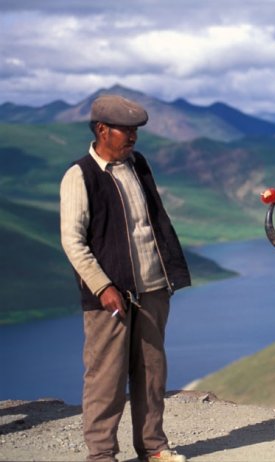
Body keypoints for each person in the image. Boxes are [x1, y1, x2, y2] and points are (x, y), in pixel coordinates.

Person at [60, 94, 191, 462]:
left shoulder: (137, 165)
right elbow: (72, 240)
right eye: (126, 130)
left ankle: (153, 447)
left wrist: (165, 280)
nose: (133, 137)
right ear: (102, 130)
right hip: (110, 295)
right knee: (106, 377)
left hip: (152, 289)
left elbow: (152, 224)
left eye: (135, 131)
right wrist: (103, 287)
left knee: (151, 373)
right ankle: (101, 454)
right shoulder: (80, 175)